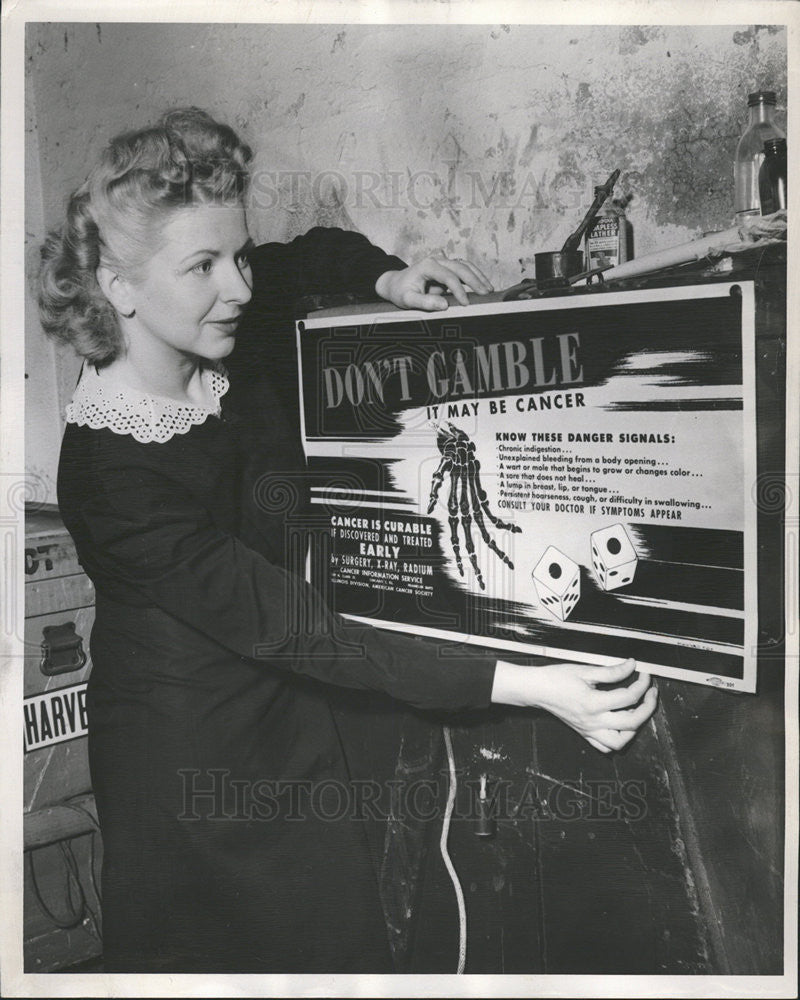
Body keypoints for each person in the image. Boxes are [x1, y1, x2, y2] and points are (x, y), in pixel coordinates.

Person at [38, 108, 657, 973]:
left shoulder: (218, 334)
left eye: (237, 253)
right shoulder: (113, 476)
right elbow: (299, 628)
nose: (242, 287)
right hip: (192, 763)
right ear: (118, 285)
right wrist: (532, 684)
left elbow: (305, 256)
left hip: (292, 712)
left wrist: (390, 280)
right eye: (204, 266)